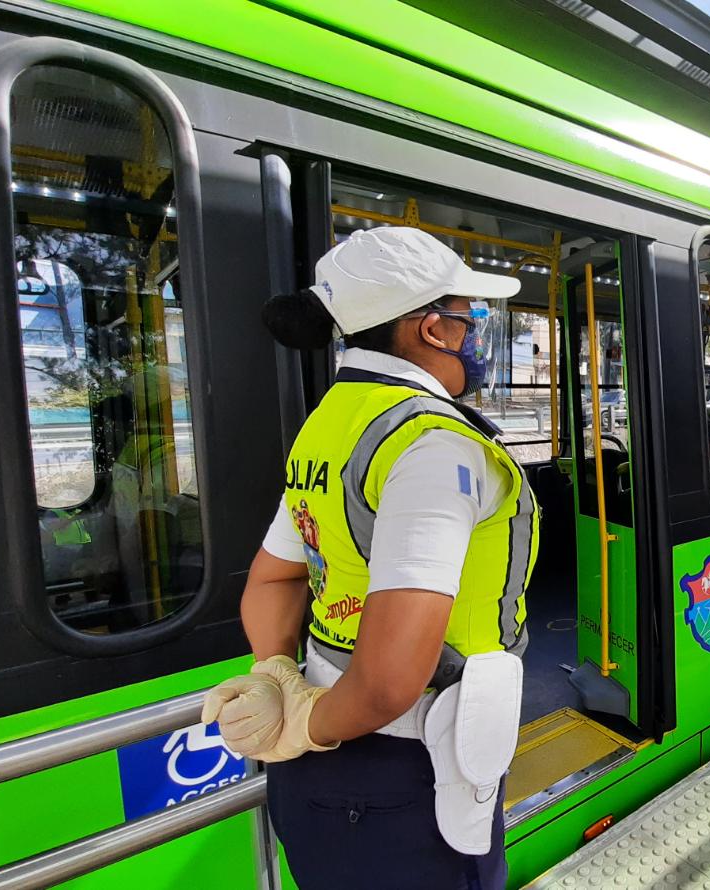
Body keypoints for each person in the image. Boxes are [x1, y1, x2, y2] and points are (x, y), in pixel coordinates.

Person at [200, 227, 539, 888]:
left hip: (321, 778)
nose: (475, 339)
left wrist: (278, 676)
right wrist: (303, 724)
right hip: (405, 786)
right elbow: (388, 682)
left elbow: (273, 578)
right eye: (469, 321)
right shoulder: (432, 447)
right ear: (432, 330)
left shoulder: (329, 427)